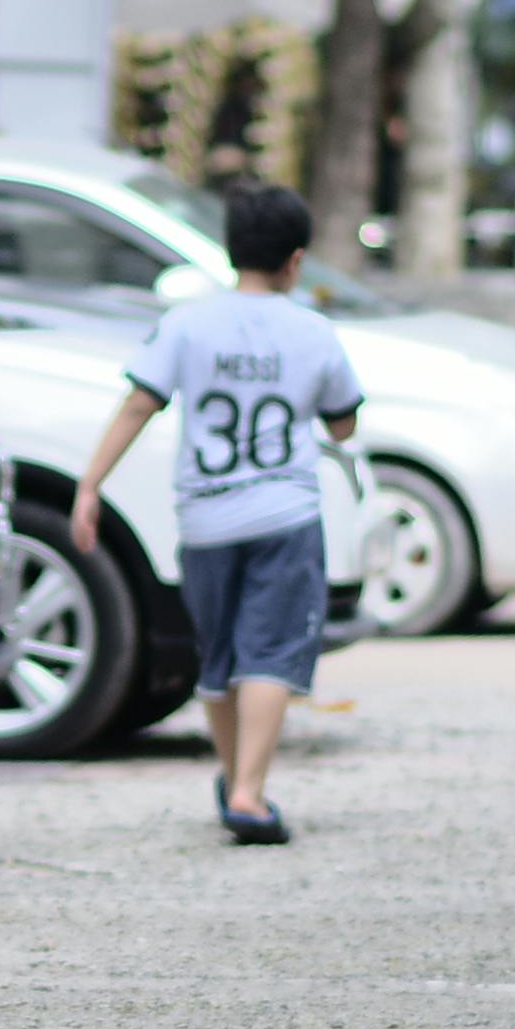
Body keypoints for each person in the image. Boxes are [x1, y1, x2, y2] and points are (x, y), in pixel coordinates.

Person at [69, 184, 363, 845]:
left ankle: (234, 777)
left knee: (219, 657)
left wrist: (90, 485)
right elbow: (343, 423)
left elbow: (138, 404)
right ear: (295, 260)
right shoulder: (313, 331)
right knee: (270, 654)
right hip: (283, 515)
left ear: (230, 253)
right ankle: (249, 794)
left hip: (203, 520)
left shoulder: (186, 324)